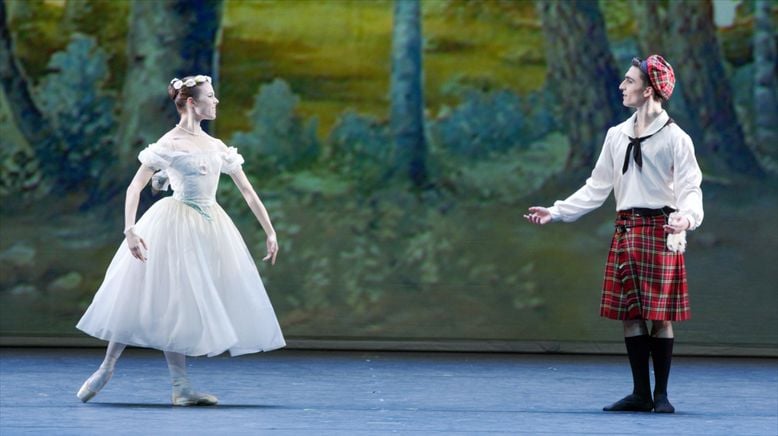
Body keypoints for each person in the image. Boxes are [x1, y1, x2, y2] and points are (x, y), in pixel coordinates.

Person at [75, 74, 286, 406]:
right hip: (173, 224)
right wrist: (129, 230)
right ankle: (108, 367)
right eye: (211, 96)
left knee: (182, 302)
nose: (216, 102)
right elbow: (135, 187)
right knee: (144, 292)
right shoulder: (169, 145)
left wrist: (270, 230)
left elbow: (247, 191)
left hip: (210, 225)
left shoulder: (217, 146)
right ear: (192, 102)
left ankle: (181, 386)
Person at [524, 55, 703, 413]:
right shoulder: (616, 135)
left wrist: (687, 218)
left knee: (660, 315)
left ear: (649, 89)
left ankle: (662, 395)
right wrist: (557, 211)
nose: (622, 86)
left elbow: (690, 188)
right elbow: (597, 187)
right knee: (631, 314)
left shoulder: (676, 139)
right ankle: (640, 393)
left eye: (629, 81)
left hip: (660, 229)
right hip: (626, 230)